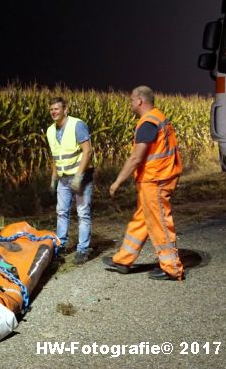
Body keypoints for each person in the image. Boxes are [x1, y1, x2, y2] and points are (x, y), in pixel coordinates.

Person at [104, 85, 184, 281]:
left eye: (132, 100)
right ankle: (123, 260)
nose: (130, 103)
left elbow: (136, 158)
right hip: (155, 179)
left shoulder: (148, 122)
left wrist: (117, 181)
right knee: (141, 220)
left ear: (140, 101)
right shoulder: (157, 116)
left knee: (160, 223)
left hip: (155, 180)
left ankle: (172, 268)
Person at [46, 97, 94, 265]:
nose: (53, 112)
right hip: (63, 179)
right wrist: (53, 178)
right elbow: (55, 156)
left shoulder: (77, 125)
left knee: (83, 213)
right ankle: (60, 247)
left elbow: (87, 151)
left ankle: (82, 250)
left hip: (81, 177)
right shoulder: (50, 131)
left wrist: (79, 176)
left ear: (65, 110)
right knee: (61, 212)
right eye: (51, 109)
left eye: (57, 109)